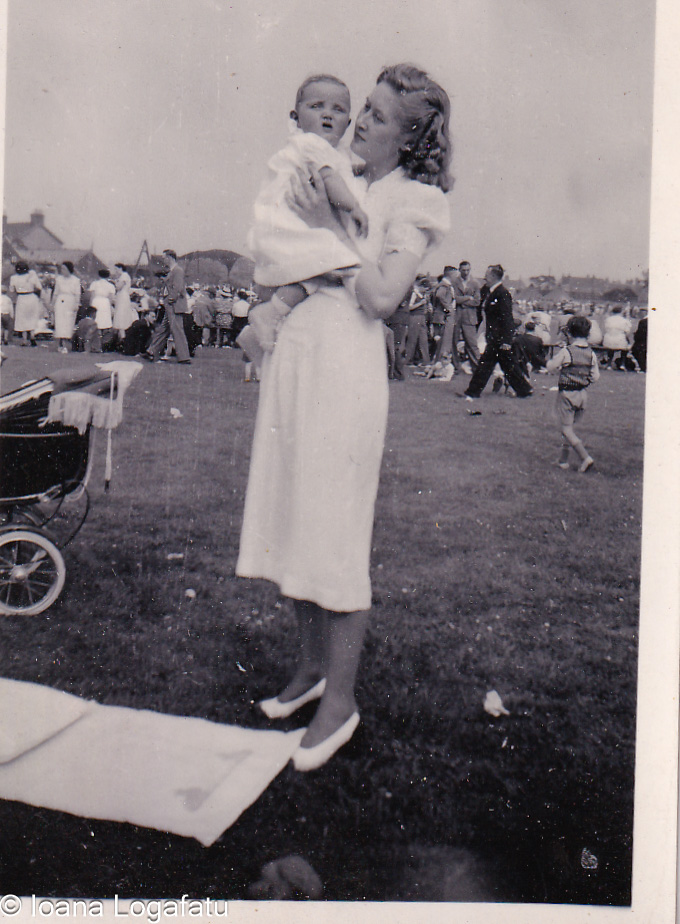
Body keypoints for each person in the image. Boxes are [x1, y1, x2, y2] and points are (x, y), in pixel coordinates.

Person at [236, 63, 451, 771]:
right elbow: (307, 265)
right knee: (295, 516)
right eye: (364, 110)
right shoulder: (341, 177)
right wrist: (270, 308)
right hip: (299, 356)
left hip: (347, 368)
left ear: (414, 137)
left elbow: (382, 296)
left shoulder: (415, 199)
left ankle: (342, 700)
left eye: (380, 118)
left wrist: (329, 227)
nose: (359, 123)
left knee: (335, 529)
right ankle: (309, 671)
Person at [244, 74, 369, 357]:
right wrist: (354, 207)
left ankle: (269, 319)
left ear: (348, 123)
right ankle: (271, 313)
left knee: (320, 271)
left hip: (287, 222)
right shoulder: (310, 144)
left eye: (338, 110)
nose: (327, 114)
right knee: (335, 265)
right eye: (316, 106)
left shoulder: (331, 153)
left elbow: (341, 171)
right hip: (290, 220)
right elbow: (331, 181)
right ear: (296, 117)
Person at [462, 265, 532, 399]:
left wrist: (507, 340)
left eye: (487, 276)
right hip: (494, 337)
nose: (484, 278)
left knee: (486, 365)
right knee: (506, 366)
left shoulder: (502, 293)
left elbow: (507, 318)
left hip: (499, 338)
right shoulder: (491, 291)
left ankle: (472, 391)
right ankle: (525, 390)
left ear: (494, 277)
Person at [546, 315, 600, 472]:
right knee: (568, 428)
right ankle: (563, 460)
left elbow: (551, 367)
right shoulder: (592, 354)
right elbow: (595, 377)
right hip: (582, 395)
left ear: (569, 333)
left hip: (567, 395)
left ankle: (585, 458)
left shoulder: (566, 351)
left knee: (566, 429)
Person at [143, 250, 192, 364]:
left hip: (174, 305)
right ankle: (151, 351)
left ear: (170, 257)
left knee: (177, 330)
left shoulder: (177, 271)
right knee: (164, 329)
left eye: (164, 257)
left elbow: (178, 287)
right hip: (171, 305)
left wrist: (171, 299)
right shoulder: (172, 271)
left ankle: (184, 357)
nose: (163, 260)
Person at [450, 260, 481, 374]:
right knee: (453, 342)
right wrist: (468, 298)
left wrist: (461, 301)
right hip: (457, 316)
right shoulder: (454, 282)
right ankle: (455, 366)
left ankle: (477, 367)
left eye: (468, 270)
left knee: (472, 343)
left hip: (470, 317)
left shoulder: (475, 283)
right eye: (463, 270)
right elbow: (454, 299)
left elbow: (477, 301)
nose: (466, 272)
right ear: (459, 270)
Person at [9, 261, 43, 346]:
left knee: (22, 318)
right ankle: (32, 336)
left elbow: (12, 290)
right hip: (32, 297)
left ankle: (24, 340)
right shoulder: (32, 275)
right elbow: (39, 287)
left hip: (21, 298)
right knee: (32, 317)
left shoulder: (14, 278)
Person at [52, 261, 82, 353]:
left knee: (68, 323)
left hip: (70, 302)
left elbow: (78, 294)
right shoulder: (59, 279)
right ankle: (61, 344)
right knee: (60, 322)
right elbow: (55, 293)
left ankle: (65, 343)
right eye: (61, 269)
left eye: (64, 269)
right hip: (60, 301)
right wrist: (52, 304)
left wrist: (76, 304)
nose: (62, 271)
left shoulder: (76, 280)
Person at [88, 268, 116, 348]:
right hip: (105, 304)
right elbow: (111, 298)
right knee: (104, 323)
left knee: (96, 322)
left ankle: (96, 344)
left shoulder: (94, 284)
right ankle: (102, 344)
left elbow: (92, 296)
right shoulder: (111, 285)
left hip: (96, 302)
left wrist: (91, 306)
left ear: (99, 275)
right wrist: (110, 307)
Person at [602, 305, 632, 370]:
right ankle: (622, 364)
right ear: (621, 312)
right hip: (620, 340)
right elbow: (627, 333)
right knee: (625, 346)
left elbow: (606, 329)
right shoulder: (625, 320)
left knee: (611, 347)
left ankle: (609, 364)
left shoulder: (608, 319)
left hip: (608, 340)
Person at [112, 263, 137, 336]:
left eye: (116, 269)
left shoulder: (124, 276)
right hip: (121, 297)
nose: (115, 271)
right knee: (120, 316)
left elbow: (118, 287)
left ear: (120, 268)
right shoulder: (122, 276)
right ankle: (121, 336)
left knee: (121, 316)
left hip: (123, 297)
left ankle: (122, 337)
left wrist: (115, 282)